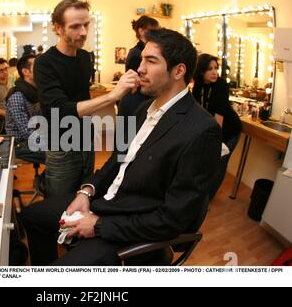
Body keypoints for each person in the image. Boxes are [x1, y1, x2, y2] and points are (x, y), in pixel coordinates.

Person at [21, 28, 222, 266]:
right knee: (32, 216)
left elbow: (172, 220)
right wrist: (87, 191)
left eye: (151, 61)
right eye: (141, 60)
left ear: (179, 71)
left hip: (128, 225)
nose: (139, 69)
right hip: (106, 202)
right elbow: (117, 159)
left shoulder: (201, 130)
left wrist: (98, 225)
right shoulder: (141, 110)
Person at [34, 0, 139, 197]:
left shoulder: (85, 58)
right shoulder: (44, 63)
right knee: (60, 206)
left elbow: (81, 97)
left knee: (83, 197)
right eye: (75, 26)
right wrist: (112, 96)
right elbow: (60, 110)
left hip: (86, 139)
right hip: (61, 144)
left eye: (86, 25)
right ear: (58, 28)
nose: (83, 32)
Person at [192, 54, 242, 200]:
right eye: (210, 69)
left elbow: (218, 118)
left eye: (216, 68)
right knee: (205, 162)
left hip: (229, 131)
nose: (214, 72)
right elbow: (197, 111)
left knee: (219, 164)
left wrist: (213, 142)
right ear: (201, 72)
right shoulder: (198, 86)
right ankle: (200, 193)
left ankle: (207, 199)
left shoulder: (221, 85)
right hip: (212, 129)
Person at [5, 54, 45, 164]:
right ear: (26, 72)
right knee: (60, 153)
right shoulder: (17, 96)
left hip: (35, 137)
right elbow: (26, 132)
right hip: (20, 144)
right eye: (37, 67)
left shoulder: (36, 91)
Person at [118, 16, 160, 118]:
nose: (156, 35)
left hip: (142, 100)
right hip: (134, 102)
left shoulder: (142, 51)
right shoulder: (136, 53)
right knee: (127, 133)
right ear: (141, 31)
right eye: (153, 31)